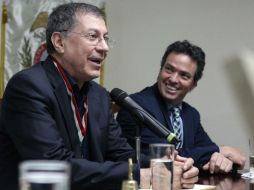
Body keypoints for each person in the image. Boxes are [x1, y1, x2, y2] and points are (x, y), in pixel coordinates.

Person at [0, 3, 198, 190]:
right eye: (93, 36)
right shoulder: (28, 86)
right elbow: (55, 166)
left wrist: (166, 166)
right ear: (59, 42)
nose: (105, 48)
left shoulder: (99, 95)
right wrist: (142, 173)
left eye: (106, 38)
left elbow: (121, 155)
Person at [117, 40, 246, 174]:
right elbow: (164, 156)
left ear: (193, 85)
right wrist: (220, 150)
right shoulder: (136, 106)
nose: (173, 79)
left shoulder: (191, 114)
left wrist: (218, 158)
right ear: (160, 70)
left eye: (184, 75)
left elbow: (206, 150)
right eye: (169, 69)